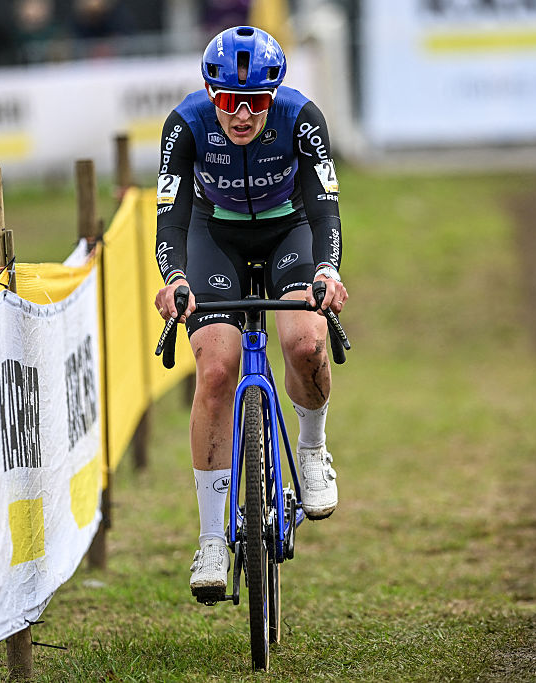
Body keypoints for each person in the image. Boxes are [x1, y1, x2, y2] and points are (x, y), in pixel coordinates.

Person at [153, 25, 347, 604]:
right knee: (216, 369)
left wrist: (327, 271)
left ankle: (311, 449)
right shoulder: (186, 124)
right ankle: (212, 539)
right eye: (230, 101)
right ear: (211, 94)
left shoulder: (301, 118)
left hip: (289, 231)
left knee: (307, 344)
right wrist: (175, 279)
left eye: (257, 102)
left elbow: (324, 209)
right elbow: (172, 215)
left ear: (274, 96)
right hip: (215, 238)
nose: (242, 115)